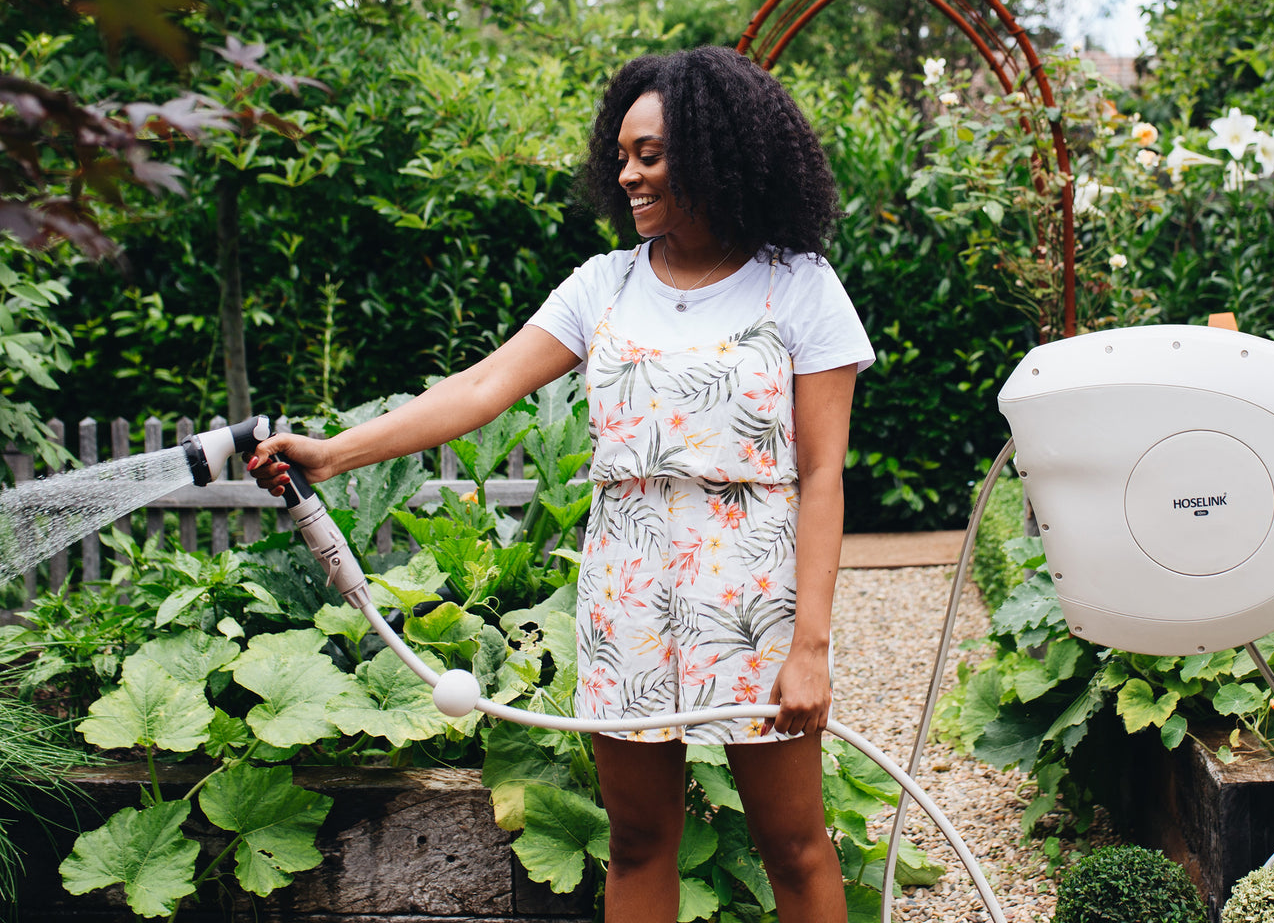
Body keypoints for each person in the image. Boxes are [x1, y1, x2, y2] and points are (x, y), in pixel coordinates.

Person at [248, 45, 874, 923]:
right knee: (638, 841)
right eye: (620, 156)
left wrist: (811, 644)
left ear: (715, 150)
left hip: (754, 593)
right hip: (626, 590)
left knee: (796, 847)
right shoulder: (605, 285)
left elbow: (820, 475)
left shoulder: (800, 288)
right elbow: (476, 389)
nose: (626, 175)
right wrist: (334, 451)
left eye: (648, 155)